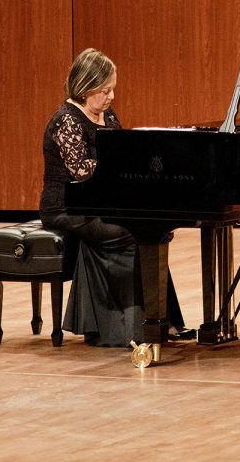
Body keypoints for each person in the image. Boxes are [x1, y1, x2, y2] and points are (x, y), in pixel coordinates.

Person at [39, 48, 193, 347]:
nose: (111, 97)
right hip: (66, 208)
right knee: (129, 235)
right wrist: (117, 167)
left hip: (98, 204)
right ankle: (132, 329)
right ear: (85, 88)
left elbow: (120, 153)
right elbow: (81, 171)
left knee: (152, 231)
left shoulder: (106, 114)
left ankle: (163, 321)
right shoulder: (66, 121)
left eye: (112, 89)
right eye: (105, 90)